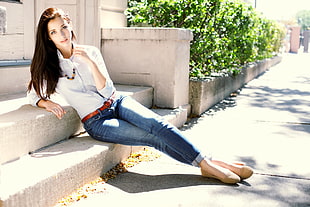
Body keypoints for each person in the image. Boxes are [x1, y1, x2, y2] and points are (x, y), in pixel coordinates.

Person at [27, 7, 253, 184]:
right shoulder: (50, 67)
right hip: (97, 121)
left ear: (70, 25)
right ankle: (210, 164)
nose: (62, 35)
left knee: (159, 126)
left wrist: (89, 62)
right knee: (151, 138)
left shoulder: (91, 52)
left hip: (117, 101)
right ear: (48, 38)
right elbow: (32, 92)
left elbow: (106, 90)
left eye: (63, 27)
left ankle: (209, 164)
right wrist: (44, 102)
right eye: (54, 32)